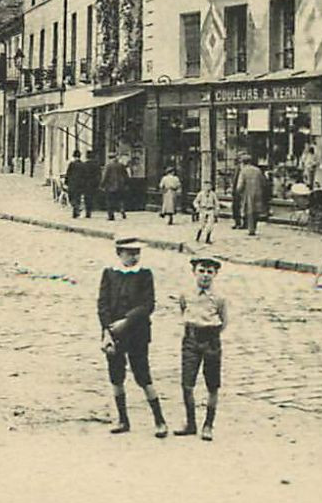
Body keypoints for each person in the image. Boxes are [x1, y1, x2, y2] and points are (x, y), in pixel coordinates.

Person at [96, 236, 168, 437]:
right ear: (119, 254)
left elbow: (148, 304)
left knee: (143, 376)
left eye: (137, 253)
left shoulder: (145, 275)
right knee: (116, 376)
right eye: (129, 253)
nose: (134, 257)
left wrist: (126, 322)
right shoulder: (110, 274)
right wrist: (106, 331)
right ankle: (123, 419)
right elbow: (102, 303)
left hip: (137, 333)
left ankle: (159, 420)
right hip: (113, 335)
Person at [173, 251, 228, 440]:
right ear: (194, 272)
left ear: (215, 274)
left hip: (211, 340)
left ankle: (208, 425)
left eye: (210, 271)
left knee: (212, 385)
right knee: (187, 384)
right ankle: (191, 423)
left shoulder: (219, 298)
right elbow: (183, 310)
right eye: (201, 270)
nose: (205, 275)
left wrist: (211, 336)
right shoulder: (186, 294)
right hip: (190, 339)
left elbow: (223, 320)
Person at [232, 154, 269, 236]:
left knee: (249, 211)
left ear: (243, 163)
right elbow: (264, 182)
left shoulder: (243, 171)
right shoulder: (257, 170)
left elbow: (240, 185)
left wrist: (238, 192)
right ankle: (254, 227)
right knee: (256, 211)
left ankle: (251, 229)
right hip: (258, 192)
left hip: (248, 193)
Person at [100, 153, 131, 222]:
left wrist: (102, 185)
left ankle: (111, 216)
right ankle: (122, 209)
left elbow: (105, 176)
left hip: (110, 187)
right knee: (120, 199)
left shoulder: (108, 166)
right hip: (120, 186)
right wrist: (126, 184)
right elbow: (126, 176)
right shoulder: (121, 165)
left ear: (110, 158)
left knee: (110, 201)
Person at [64, 151, 91, 219]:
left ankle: (76, 209)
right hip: (80, 185)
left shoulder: (72, 164)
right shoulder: (83, 165)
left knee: (72, 198)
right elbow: (86, 175)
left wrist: (66, 183)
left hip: (72, 184)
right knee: (78, 198)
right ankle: (76, 211)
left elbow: (68, 174)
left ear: (74, 156)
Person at [192, 181, 220, 245]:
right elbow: (195, 202)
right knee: (202, 225)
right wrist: (197, 207)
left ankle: (208, 238)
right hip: (203, 209)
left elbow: (216, 203)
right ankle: (198, 237)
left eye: (209, 186)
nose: (208, 188)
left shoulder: (213, 194)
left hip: (210, 210)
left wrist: (217, 210)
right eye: (206, 186)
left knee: (210, 225)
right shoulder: (201, 194)